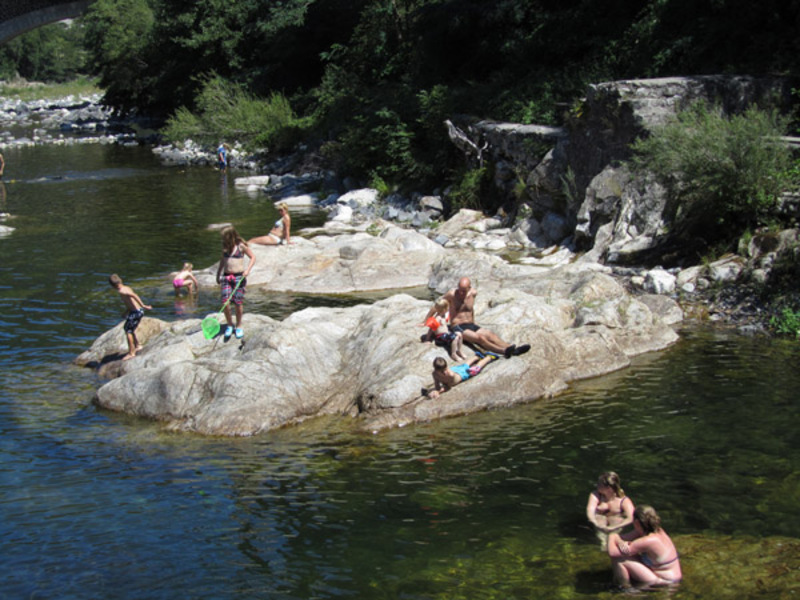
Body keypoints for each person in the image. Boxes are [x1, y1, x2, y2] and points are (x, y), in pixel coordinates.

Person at [431, 277, 531, 358]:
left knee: (490, 335)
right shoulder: (452, 294)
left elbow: (471, 310)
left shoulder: (473, 293)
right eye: (460, 290)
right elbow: (438, 305)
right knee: (481, 338)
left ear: (469, 288)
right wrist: (427, 320)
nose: (461, 293)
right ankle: (504, 351)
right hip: (458, 326)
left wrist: (473, 323)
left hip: (471, 324)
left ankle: (512, 348)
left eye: (464, 291)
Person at [608, 505, 682, 589]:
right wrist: (620, 541)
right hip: (671, 577)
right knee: (626, 554)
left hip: (665, 581)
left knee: (619, 559)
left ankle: (627, 589)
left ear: (636, 523)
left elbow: (612, 552)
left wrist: (611, 535)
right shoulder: (657, 530)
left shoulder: (648, 541)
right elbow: (622, 538)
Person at [216, 226, 255, 339]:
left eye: (224, 237)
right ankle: (229, 325)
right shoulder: (225, 248)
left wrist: (247, 270)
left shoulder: (241, 247)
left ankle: (238, 325)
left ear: (231, 236)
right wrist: (218, 274)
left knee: (238, 303)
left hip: (239, 278)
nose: (223, 239)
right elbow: (222, 261)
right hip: (226, 278)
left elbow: (252, 257)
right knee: (225, 303)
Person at [586, 471, 635, 549]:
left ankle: (613, 542)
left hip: (616, 521)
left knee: (616, 520)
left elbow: (631, 517)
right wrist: (595, 522)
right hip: (600, 520)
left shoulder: (623, 500)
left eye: (600, 484)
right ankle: (603, 543)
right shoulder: (596, 495)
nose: (597, 485)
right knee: (599, 519)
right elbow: (590, 510)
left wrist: (615, 526)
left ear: (608, 488)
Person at [109, 273, 152, 361]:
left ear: (112, 285)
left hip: (136, 312)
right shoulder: (126, 287)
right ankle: (138, 345)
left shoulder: (122, 291)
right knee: (129, 329)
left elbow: (134, 295)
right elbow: (130, 302)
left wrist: (143, 305)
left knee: (128, 331)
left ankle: (131, 353)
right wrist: (126, 312)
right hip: (135, 311)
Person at [427, 352, 499, 399]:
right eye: (442, 372)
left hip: (462, 374)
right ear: (436, 370)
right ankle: (477, 357)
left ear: (447, 367)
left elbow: (448, 387)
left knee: (475, 369)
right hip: (455, 370)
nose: (445, 373)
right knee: (464, 365)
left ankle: (489, 357)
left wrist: (439, 392)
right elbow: (437, 385)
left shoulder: (450, 374)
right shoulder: (435, 374)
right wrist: (436, 390)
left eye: (445, 369)